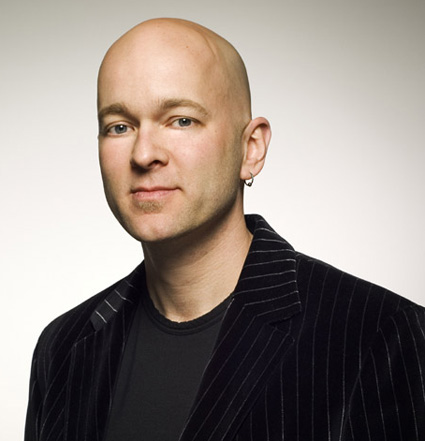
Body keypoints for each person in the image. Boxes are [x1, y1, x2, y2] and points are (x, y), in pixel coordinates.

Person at [25, 18, 425, 441]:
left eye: (181, 120)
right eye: (119, 126)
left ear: (251, 149)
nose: (143, 154)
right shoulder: (62, 347)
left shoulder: (381, 335)